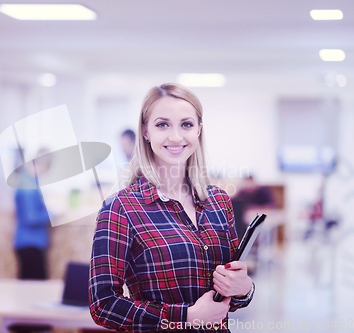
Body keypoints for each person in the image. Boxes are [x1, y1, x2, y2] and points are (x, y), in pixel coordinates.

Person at [89, 83, 254, 332]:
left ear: (199, 129)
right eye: (162, 124)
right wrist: (186, 316)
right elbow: (103, 305)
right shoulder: (121, 208)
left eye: (186, 124)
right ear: (145, 131)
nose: (176, 136)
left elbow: (230, 299)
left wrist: (244, 288)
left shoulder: (219, 202)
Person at [14, 148, 53, 280]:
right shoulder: (28, 186)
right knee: (33, 288)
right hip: (30, 244)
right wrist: (51, 214)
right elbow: (31, 218)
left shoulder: (31, 181)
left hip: (32, 243)